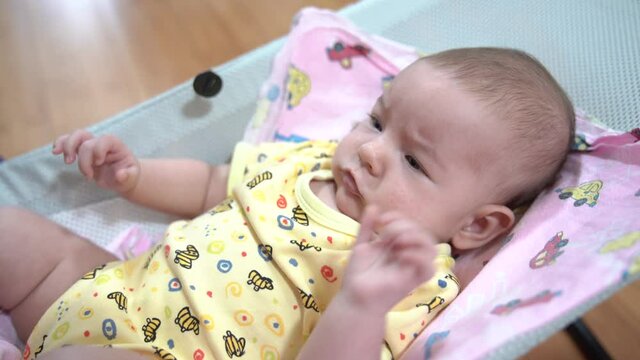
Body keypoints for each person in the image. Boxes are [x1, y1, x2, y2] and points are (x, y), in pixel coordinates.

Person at [0, 47, 574, 360]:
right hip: (111, 292)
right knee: (14, 235)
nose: (371, 150)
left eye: (415, 162)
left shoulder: (408, 278)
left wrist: (358, 304)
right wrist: (133, 176)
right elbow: (207, 184)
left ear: (477, 224)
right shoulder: (311, 161)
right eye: (377, 120)